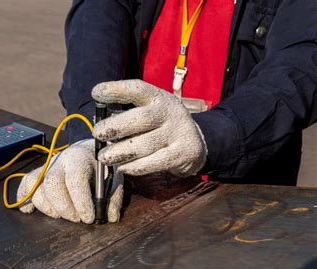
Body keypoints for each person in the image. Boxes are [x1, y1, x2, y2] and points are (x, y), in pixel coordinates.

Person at [17, 0, 317, 224]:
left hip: (239, 206)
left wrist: (207, 136)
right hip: (133, 197)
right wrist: (91, 137)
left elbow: (300, 64)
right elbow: (95, 30)